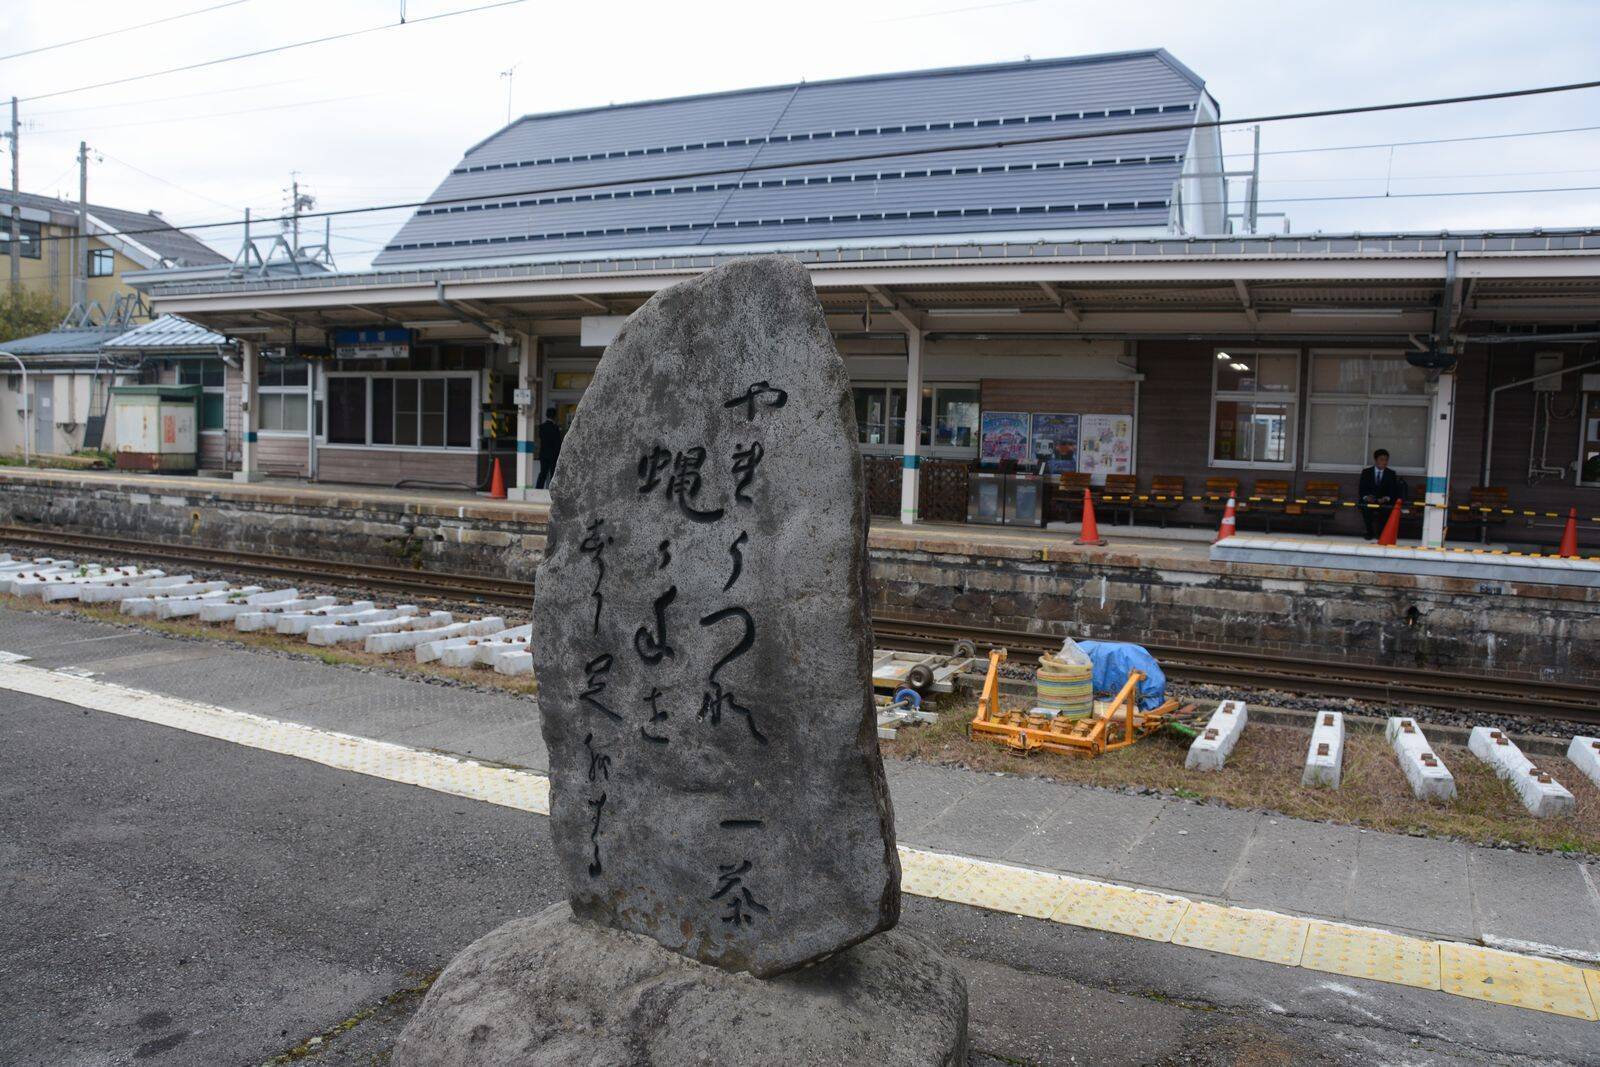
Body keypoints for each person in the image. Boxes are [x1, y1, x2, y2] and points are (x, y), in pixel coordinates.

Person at [1358, 448, 1407, 539]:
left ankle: (1381, 534)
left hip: (1384, 501)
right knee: (1365, 509)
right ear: (1376, 460)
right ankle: (1369, 532)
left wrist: (1386, 498)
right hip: (1370, 500)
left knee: (1386, 511)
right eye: (1381, 459)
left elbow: (1393, 491)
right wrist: (1366, 497)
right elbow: (1362, 489)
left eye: (1386, 460)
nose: (1384, 462)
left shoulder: (1391, 473)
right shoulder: (1366, 472)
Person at [535, 409, 563, 489]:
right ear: (555, 416)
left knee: (543, 473)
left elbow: (539, 440)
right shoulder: (555, 428)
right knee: (553, 473)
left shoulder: (541, 427)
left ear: (546, 415)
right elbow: (558, 443)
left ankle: (538, 489)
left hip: (543, 454)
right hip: (553, 455)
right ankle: (552, 490)